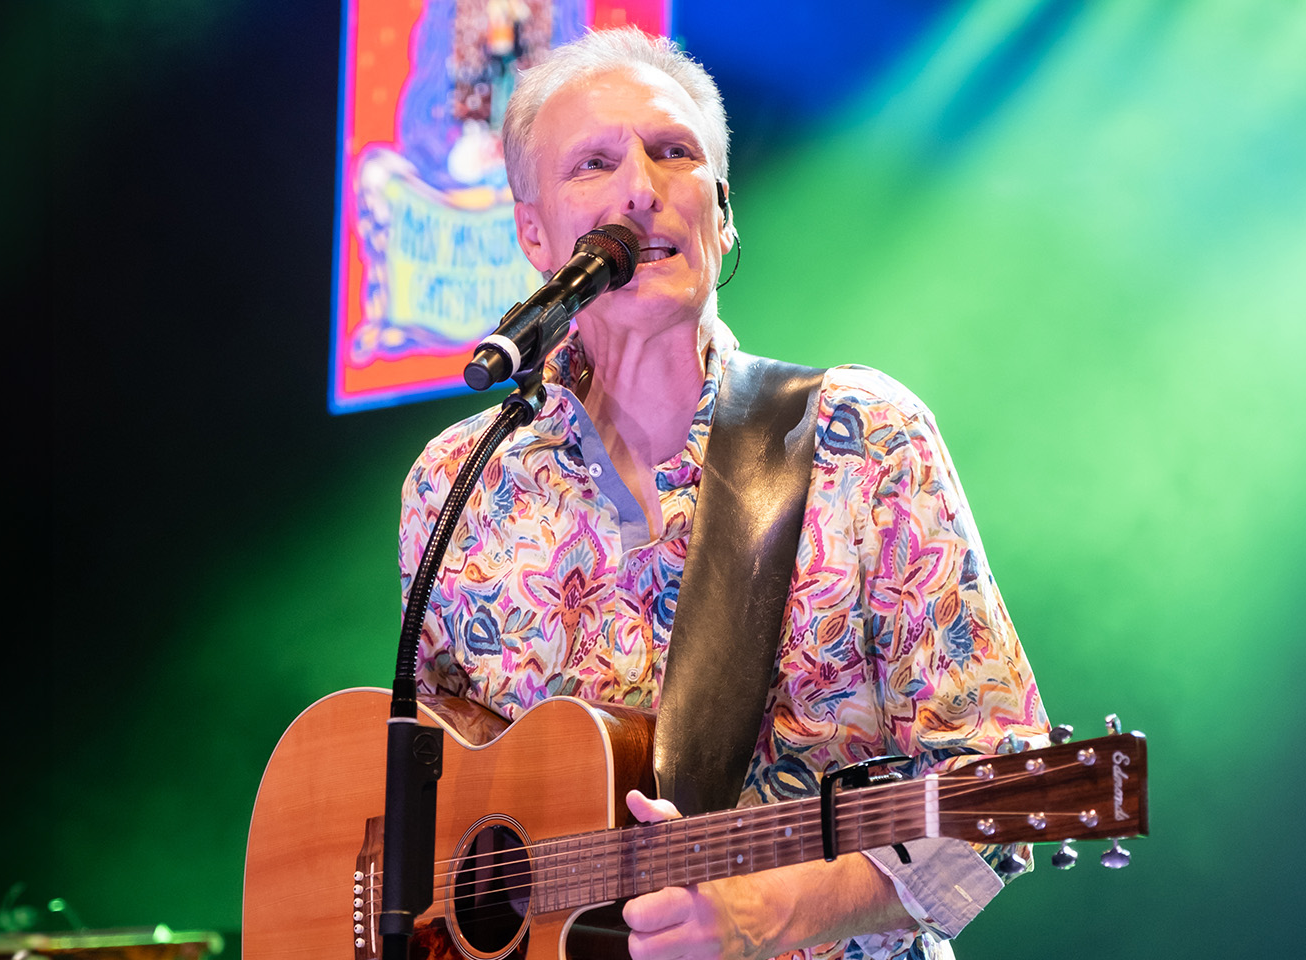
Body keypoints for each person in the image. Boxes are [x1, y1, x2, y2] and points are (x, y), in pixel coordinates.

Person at [399, 27, 1049, 960]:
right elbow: (420, 799)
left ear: (722, 213)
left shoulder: (859, 438)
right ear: (532, 230)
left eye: (675, 153)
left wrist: (764, 916)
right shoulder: (455, 483)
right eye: (594, 162)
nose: (640, 188)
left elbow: (1000, 786)